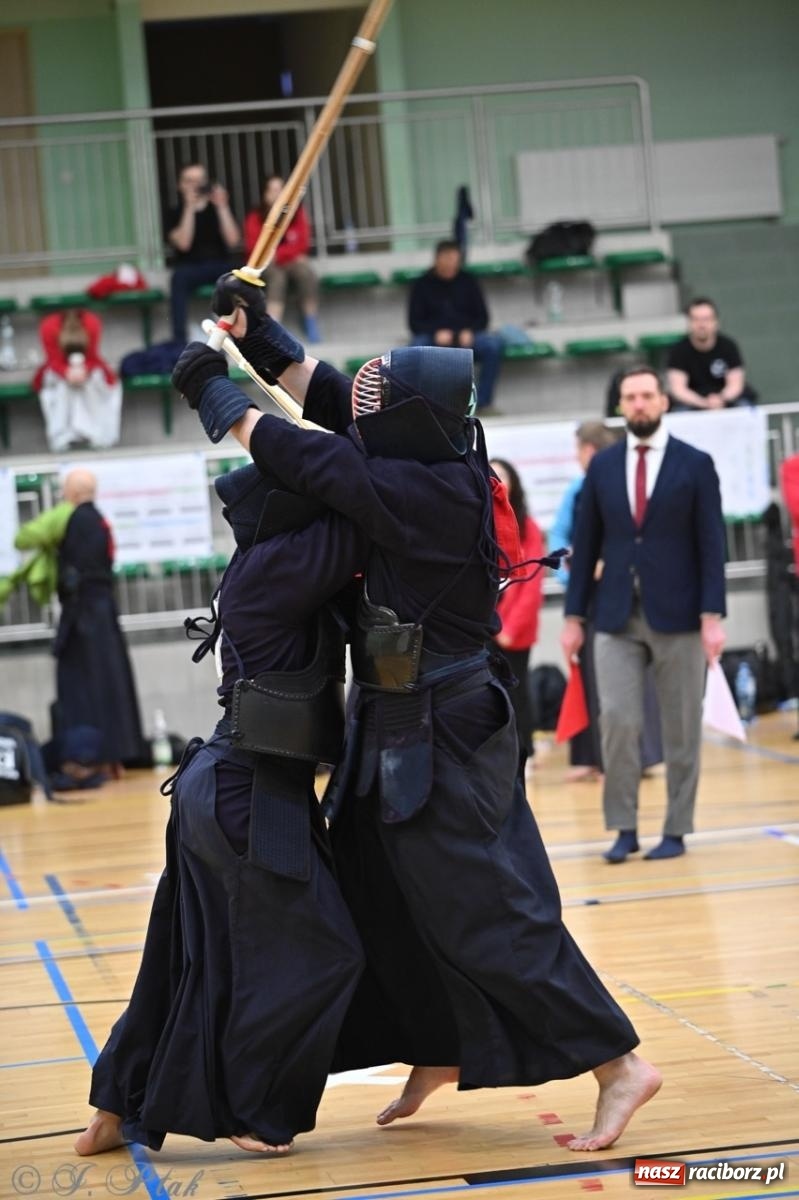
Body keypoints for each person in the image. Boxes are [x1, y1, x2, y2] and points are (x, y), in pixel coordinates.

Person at [170, 277, 663, 1153]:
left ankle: (617, 1063)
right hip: (399, 720)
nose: (363, 403)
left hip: (439, 724)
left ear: (403, 421)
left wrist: (211, 385)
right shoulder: (444, 450)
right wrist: (260, 334)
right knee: (380, 889)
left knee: (488, 907)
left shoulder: (416, 492)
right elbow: (333, 400)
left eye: (379, 396)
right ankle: (435, 1046)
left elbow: (295, 449)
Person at [76, 462, 367, 1157]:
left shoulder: (262, 563)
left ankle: (115, 1103)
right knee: (324, 953)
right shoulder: (281, 565)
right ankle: (250, 1109)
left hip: (227, 788)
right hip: (247, 795)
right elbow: (366, 515)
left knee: (183, 955)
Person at [561, 366, 727, 863]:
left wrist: (712, 614)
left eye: (647, 396)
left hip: (678, 613)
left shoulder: (695, 464)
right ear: (621, 405)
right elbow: (585, 543)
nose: (638, 404)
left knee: (680, 727)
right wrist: (573, 617)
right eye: (630, 397)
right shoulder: (604, 467)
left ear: (663, 402)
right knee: (617, 720)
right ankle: (623, 827)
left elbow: (711, 544)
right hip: (614, 614)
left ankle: (676, 827)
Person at [550, 422, 663, 783]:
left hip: (629, 591)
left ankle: (641, 755)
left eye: (579, 449)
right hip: (590, 597)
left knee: (635, 672)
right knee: (594, 673)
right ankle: (597, 758)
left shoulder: (630, 485)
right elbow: (559, 538)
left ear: (590, 450)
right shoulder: (578, 489)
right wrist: (576, 573)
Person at [14, 469, 143, 774]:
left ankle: (86, 756)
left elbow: (26, 539)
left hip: (83, 615)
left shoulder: (73, 519)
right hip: (103, 612)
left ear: (70, 494)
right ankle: (114, 753)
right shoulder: (97, 519)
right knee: (108, 682)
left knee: (80, 686)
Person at [489, 457, 545, 772]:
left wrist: (508, 625)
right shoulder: (477, 517)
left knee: (517, 689)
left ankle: (526, 749)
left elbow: (531, 581)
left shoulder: (528, 526)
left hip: (513, 627)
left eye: (503, 475)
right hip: (483, 622)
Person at [408, 239, 504, 414]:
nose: (452, 265)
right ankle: (423, 406)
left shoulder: (469, 281)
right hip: (434, 337)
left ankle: (483, 403)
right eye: (448, 260)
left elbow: (483, 317)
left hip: (467, 335)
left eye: (455, 260)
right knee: (415, 349)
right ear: (437, 259)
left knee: (492, 346)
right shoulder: (422, 284)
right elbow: (414, 322)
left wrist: (470, 331)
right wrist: (435, 332)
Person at [165, 163, 240, 344]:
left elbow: (233, 241)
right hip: (190, 268)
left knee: (241, 275)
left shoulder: (218, 207)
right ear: (180, 185)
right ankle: (179, 340)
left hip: (220, 265)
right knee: (178, 279)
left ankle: (244, 334)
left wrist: (222, 206)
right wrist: (189, 208)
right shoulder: (174, 213)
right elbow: (183, 244)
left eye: (200, 181)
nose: (195, 186)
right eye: (189, 181)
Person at [243, 174, 321, 343]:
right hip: (265, 265)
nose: (277, 194)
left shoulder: (296, 212)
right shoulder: (255, 217)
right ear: (265, 194)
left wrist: (279, 254)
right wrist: (283, 255)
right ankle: (273, 329)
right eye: (273, 190)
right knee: (277, 278)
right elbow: (255, 248)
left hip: (288, 261)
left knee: (306, 273)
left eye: (281, 190)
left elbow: (303, 243)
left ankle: (310, 321)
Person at [33, 308, 122, 452]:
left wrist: (84, 370)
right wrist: (66, 372)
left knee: (94, 380)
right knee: (60, 384)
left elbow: (93, 356)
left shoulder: (91, 321)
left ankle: (97, 434)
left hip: (88, 371)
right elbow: (53, 359)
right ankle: (61, 437)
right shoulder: (49, 325)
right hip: (60, 373)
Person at [666, 298, 757, 412]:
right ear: (689, 322)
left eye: (706, 319)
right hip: (692, 403)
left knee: (747, 409)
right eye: (696, 319)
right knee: (679, 413)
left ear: (716, 322)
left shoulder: (728, 346)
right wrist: (704, 403)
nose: (701, 324)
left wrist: (720, 399)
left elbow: (735, 384)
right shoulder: (678, 350)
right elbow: (678, 390)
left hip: (726, 400)